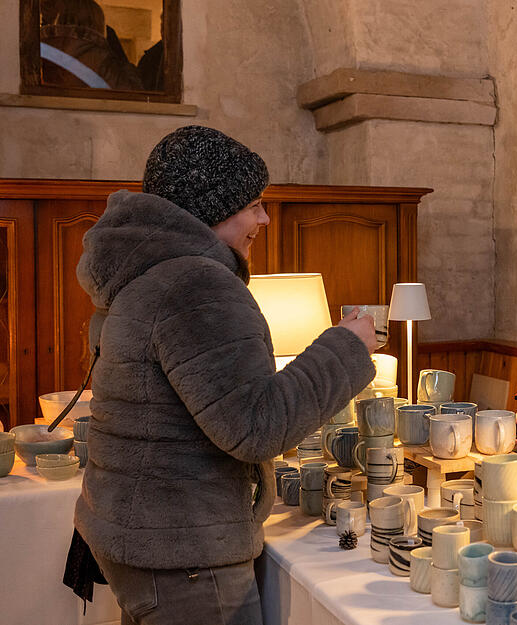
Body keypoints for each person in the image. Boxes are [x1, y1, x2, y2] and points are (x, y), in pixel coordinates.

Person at [73, 125, 377, 625]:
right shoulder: (195, 283)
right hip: (185, 553)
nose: (264, 218)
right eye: (254, 204)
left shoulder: (153, 274)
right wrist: (346, 347)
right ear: (212, 210)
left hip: (144, 538)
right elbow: (256, 426)